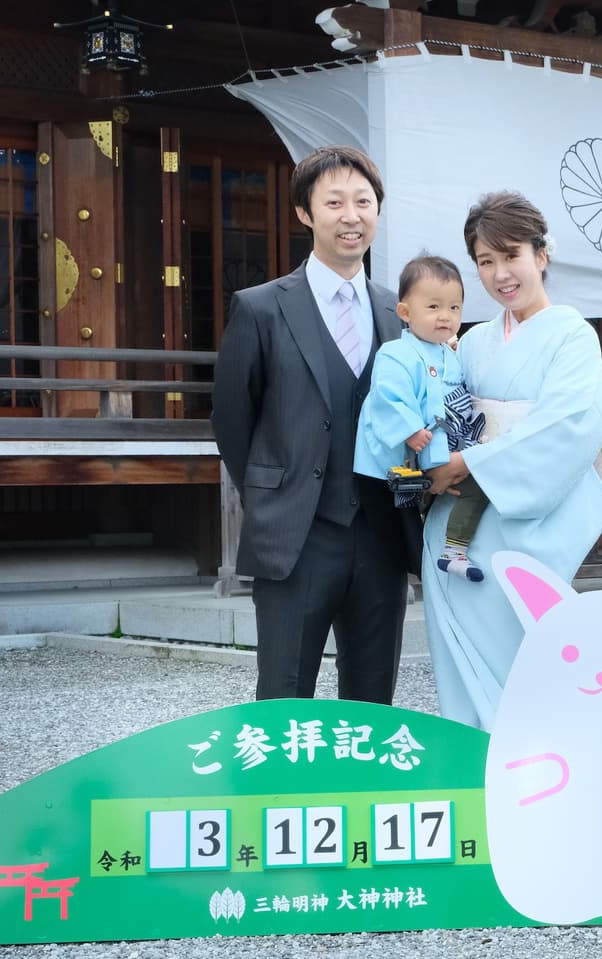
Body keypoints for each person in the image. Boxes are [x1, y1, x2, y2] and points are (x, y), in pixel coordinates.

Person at [211, 145, 416, 705]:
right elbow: (232, 419)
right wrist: (276, 491)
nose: (351, 216)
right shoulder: (259, 308)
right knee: (283, 695)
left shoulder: (399, 312)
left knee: (373, 697)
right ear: (305, 213)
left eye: (364, 201)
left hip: (380, 536)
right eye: (335, 202)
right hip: (295, 537)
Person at [421, 191, 602, 730]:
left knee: (526, 673)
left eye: (511, 256)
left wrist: (470, 463)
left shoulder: (573, 337)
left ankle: (530, 788)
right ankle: (471, 783)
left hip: (523, 532)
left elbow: (568, 429)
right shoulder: (473, 342)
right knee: (461, 676)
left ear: (541, 255)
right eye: (486, 262)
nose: (501, 274)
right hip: (454, 529)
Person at [353, 254, 489, 582]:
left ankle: (448, 552)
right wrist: (409, 428)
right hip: (398, 453)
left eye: (454, 308)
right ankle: (425, 559)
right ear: (405, 312)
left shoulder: (450, 354)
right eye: (433, 307)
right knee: (390, 524)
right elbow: (388, 396)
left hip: (436, 450)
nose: (445, 316)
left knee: (464, 493)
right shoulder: (395, 354)